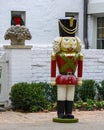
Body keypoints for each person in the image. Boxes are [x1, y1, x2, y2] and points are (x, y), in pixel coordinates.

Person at [51, 17, 83, 119]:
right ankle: (60, 113)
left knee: (70, 96)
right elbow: (53, 66)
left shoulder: (78, 55)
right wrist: (52, 79)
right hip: (62, 77)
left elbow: (80, 67)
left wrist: (80, 78)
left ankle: (69, 112)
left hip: (72, 78)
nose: (70, 43)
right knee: (61, 95)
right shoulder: (57, 55)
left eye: (73, 40)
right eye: (66, 40)